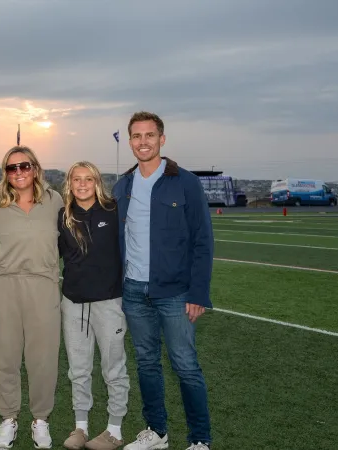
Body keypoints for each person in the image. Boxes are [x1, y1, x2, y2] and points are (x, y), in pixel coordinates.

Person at [112, 111, 214, 450]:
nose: (143, 142)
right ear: (130, 142)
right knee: (146, 363)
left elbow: (202, 240)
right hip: (134, 291)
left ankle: (200, 439)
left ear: (162, 139)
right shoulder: (122, 185)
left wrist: (198, 293)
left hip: (175, 292)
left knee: (185, 365)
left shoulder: (184, 182)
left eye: (149, 135)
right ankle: (157, 432)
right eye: (137, 136)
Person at [0, 146, 64, 449]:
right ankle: (8, 418)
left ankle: (40, 419)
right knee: (6, 355)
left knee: (43, 358)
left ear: (35, 168)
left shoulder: (54, 201)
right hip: (3, 286)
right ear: (5, 172)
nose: (19, 172)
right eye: (11, 167)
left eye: (24, 166)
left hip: (43, 286)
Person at [58, 161, 129, 450]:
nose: (83, 184)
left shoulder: (113, 211)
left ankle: (115, 429)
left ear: (97, 182)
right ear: (70, 183)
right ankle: (81, 427)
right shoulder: (63, 215)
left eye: (89, 179)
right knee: (78, 367)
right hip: (73, 302)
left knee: (113, 367)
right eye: (77, 179)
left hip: (108, 301)